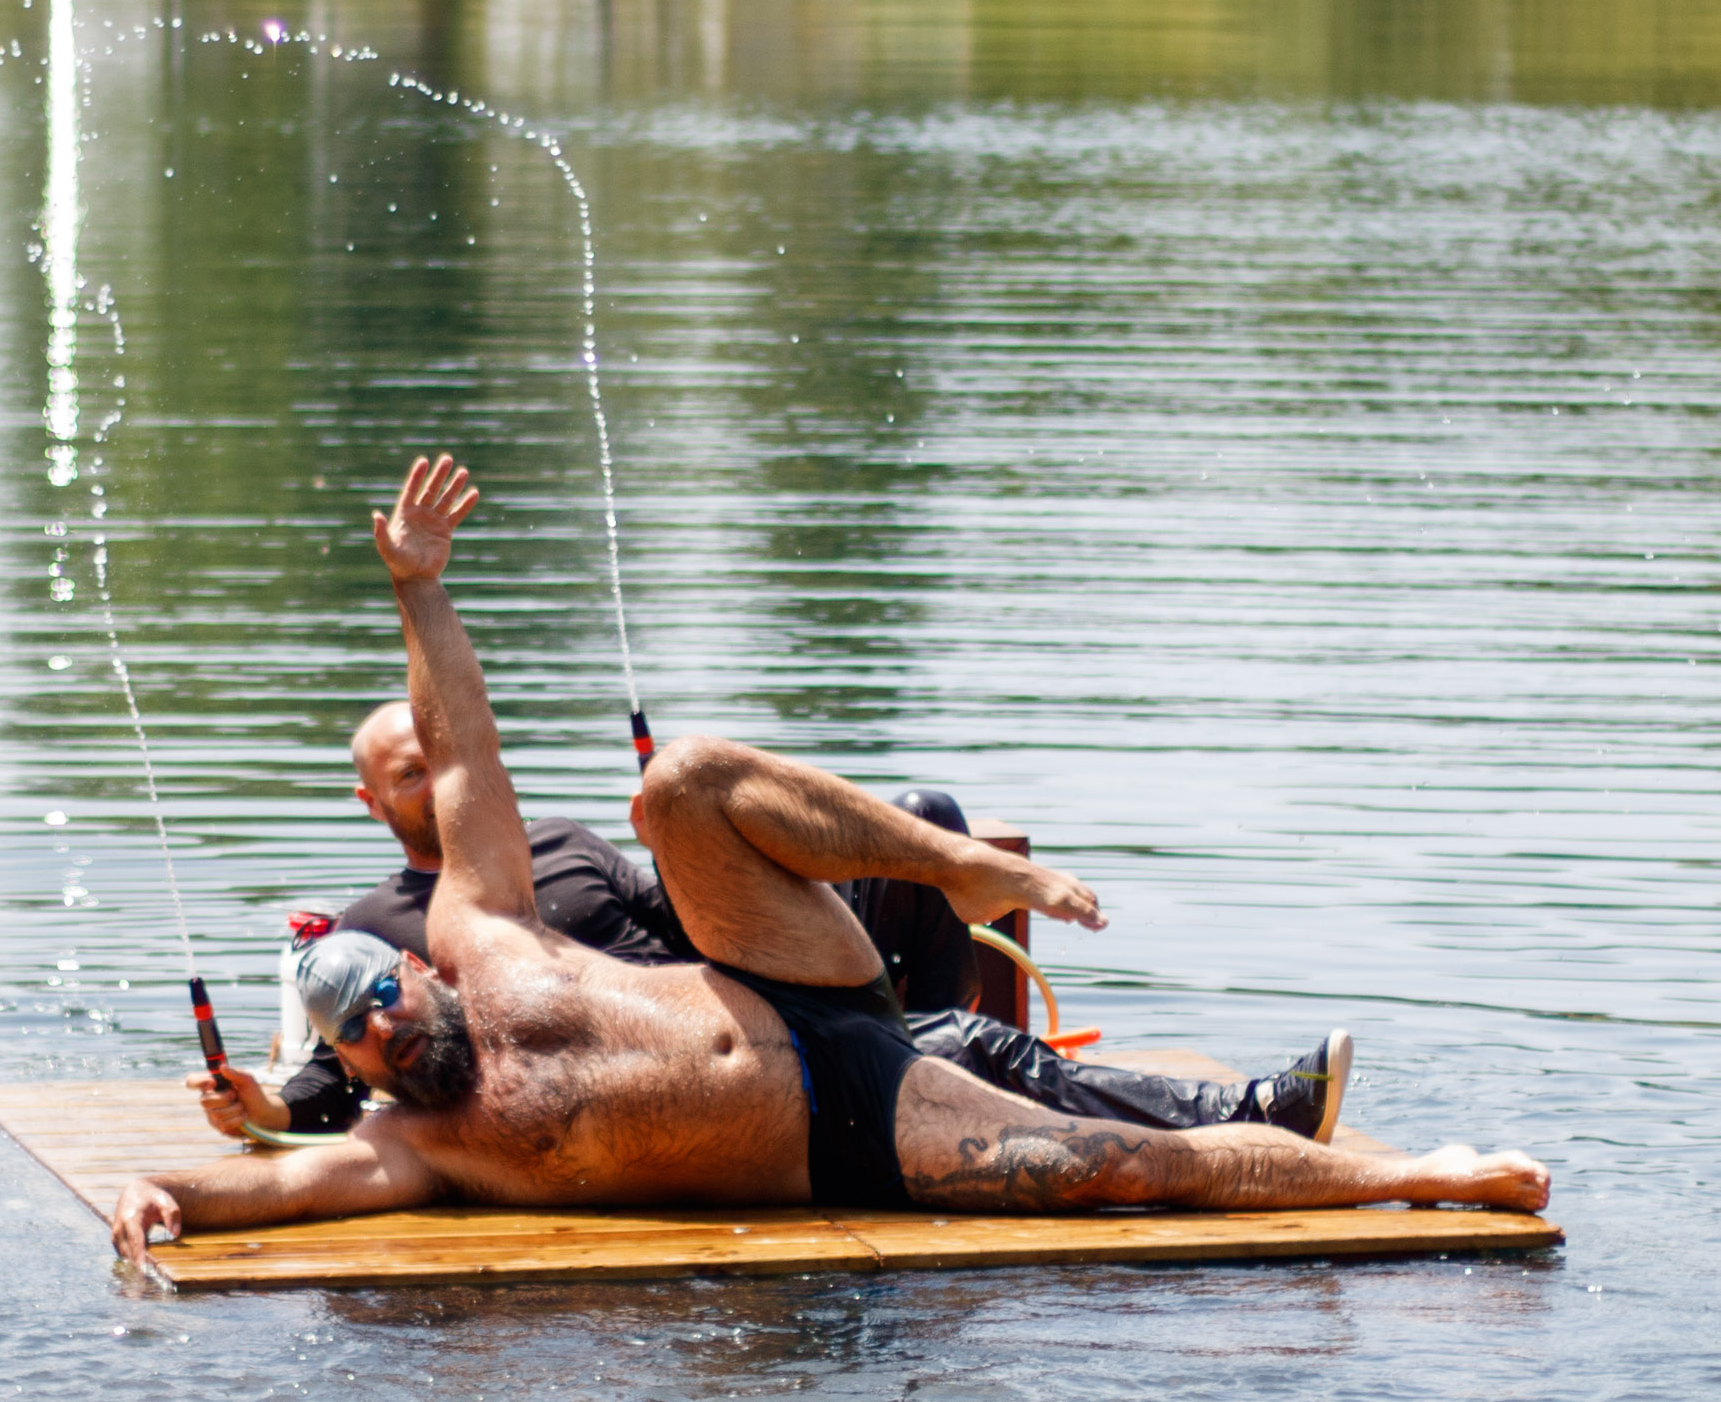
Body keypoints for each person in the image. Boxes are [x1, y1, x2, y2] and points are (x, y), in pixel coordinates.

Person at [108, 455, 1548, 1271]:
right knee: (1118, 1173)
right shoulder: (416, 1146)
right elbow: (271, 1189)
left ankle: (962, 869)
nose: (378, 1023)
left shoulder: (479, 928)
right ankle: (1423, 1175)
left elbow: (464, 754)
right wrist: (168, 1188)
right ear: (354, 1068)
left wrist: (420, 592)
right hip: (840, 1115)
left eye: (379, 993)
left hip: (778, 973)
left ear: (418, 969)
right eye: (356, 1033)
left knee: (678, 782)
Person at [192, 702, 1353, 1144]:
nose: (435, 781)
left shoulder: (560, 842)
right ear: (372, 800)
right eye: (408, 774)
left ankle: (917, 1036)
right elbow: (343, 1076)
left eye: (440, 759)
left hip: (754, 998)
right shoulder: (376, 942)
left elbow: (680, 910)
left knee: (919, 819)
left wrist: (707, 839)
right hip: (678, 1082)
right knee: (971, 1048)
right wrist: (264, 1109)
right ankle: (1243, 1114)